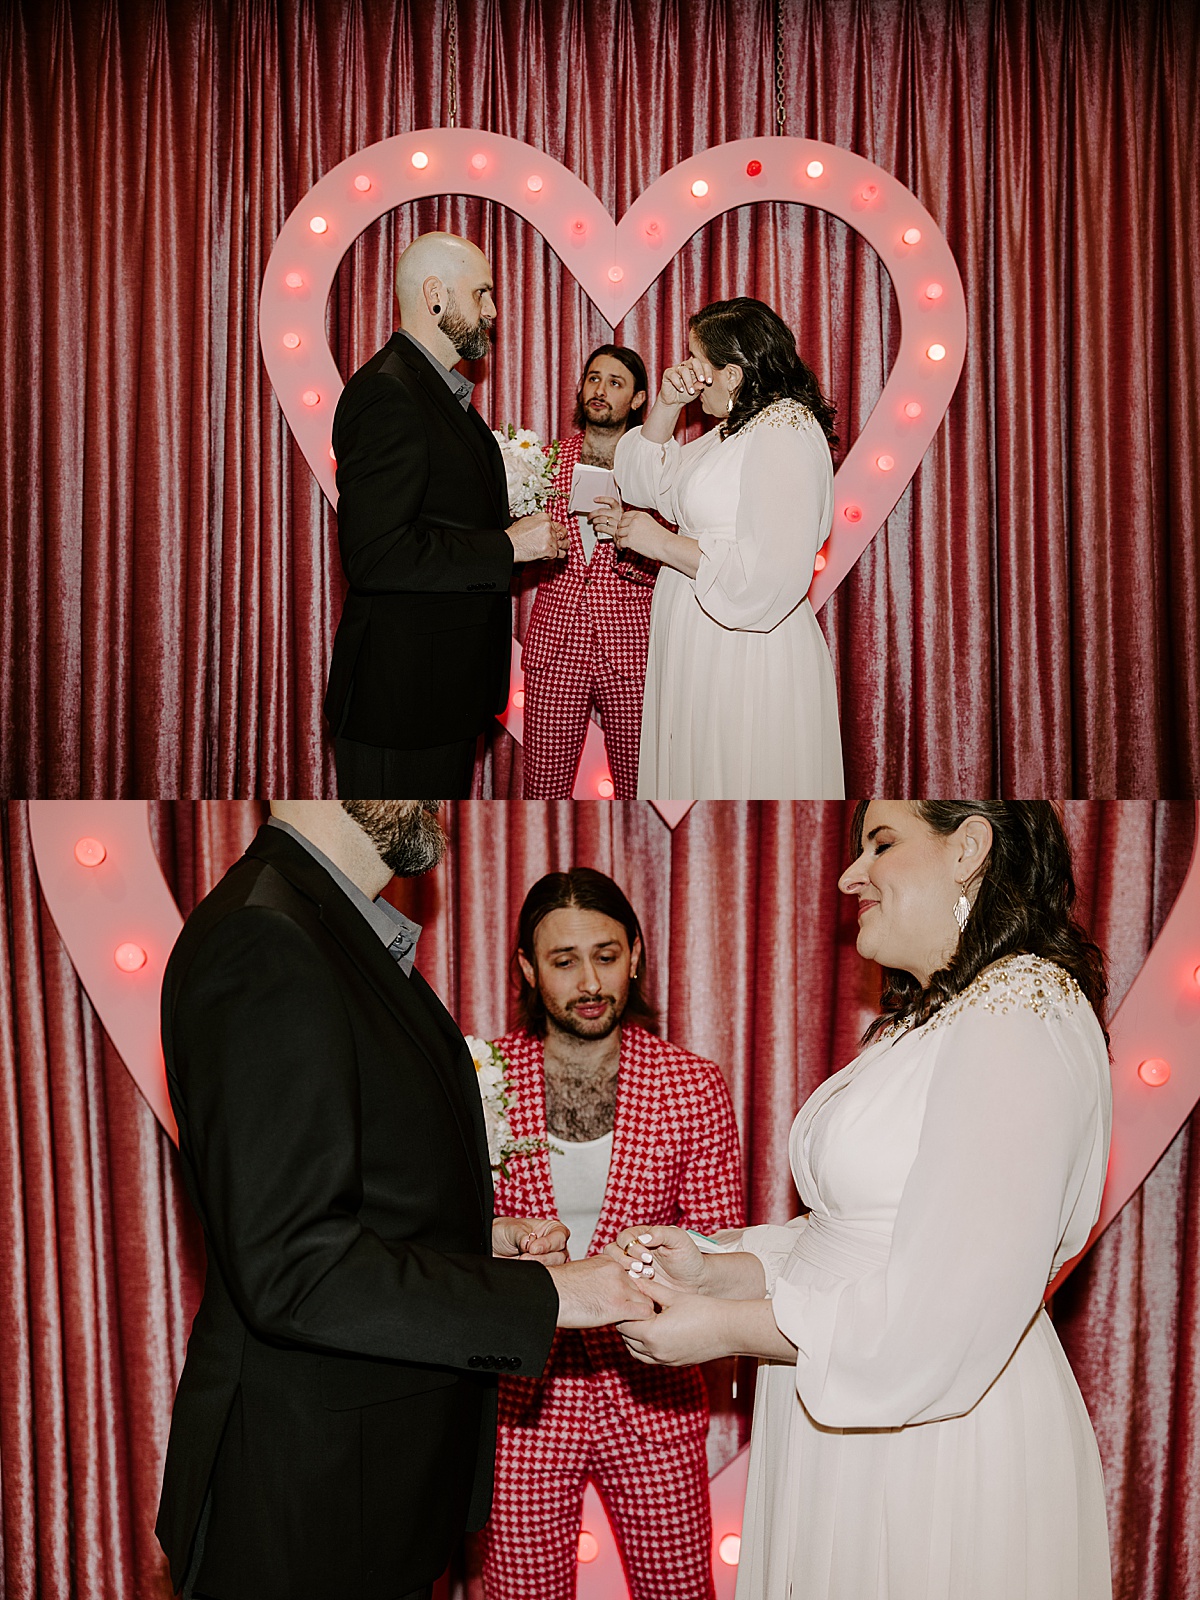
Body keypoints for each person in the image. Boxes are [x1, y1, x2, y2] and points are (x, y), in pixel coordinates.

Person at [609, 801, 1113, 1600]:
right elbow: (857, 1233)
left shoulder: (1021, 1008)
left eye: (880, 842)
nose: (850, 874)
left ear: (969, 847)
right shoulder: (936, 1013)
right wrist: (724, 1270)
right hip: (848, 1416)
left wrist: (723, 1332)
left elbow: (942, 1309)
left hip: (936, 1444)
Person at [155, 802, 646, 1600]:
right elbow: (294, 1269)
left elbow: (343, 1199)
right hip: (307, 1507)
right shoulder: (267, 938)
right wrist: (545, 1293)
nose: (437, 796)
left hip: (363, 1491)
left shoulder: (328, 925)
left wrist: (474, 1241)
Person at [479, 869, 745, 1600]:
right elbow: (443, 1240)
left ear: (636, 955)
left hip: (655, 1390)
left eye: (606, 954)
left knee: (680, 1592)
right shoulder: (484, 1078)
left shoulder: (692, 1084)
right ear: (530, 972)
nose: (590, 979)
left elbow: (720, 1247)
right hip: (520, 1398)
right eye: (564, 961)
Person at [325, 232, 569, 800]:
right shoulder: (389, 394)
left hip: (437, 697)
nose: (491, 310)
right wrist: (509, 548)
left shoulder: (431, 389)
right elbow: (376, 555)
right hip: (403, 706)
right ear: (435, 296)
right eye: (481, 293)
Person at [596, 297, 843, 800]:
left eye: (695, 360)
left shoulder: (785, 430)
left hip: (744, 650)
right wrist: (665, 405)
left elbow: (766, 575)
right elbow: (643, 484)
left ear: (731, 374)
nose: (687, 371)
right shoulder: (731, 433)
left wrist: (662, 543)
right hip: (700, 642)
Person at [521, 346, 658, 799]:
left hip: (632, 653)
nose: (599, 390)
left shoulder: (654, 473)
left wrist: (629, 541)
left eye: (615, 382)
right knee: (543, 789)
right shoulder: (542, 463)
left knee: (642, 788)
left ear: (638, 400)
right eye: (593, 379)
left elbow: (675, 565)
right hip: (555, 648)